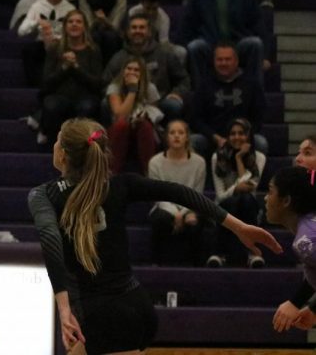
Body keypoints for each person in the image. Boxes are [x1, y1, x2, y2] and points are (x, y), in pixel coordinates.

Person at [27, 118, 281, 354]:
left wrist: (62, 308)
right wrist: (238, 226)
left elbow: (51, 241)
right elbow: (180, 192)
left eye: (58, 139)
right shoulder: (120, 184)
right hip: (136, 307)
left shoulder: (44, 195)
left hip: (102, 316)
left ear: (63, 154)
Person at [182, 0, 268, 88]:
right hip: (210, 44)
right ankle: (201, 94)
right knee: (194, 47)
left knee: (255, 43)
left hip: (238, 44)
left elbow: (258, 23)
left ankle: (255, 93)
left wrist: (266, 56)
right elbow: (187, 24)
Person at [103, 14, 189, 123]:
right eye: (134, 28)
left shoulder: (164, 54)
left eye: (142, 27)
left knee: (173, 105)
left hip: (159, 101)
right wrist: (118, 97)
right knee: (106, 104)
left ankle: (168, 136)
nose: (137, 31)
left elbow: (183, 80)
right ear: (128, 32)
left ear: (149, 32)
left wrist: (177, 93)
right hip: (126, 102)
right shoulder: (118, 58)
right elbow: (105, 83)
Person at [147, 120, 210, 266]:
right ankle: (156, 264)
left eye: (181, 133)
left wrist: (184, 213)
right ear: (166, 137)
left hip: (191, 205)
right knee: (160, 219)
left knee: (195, 221)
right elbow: (157, 196)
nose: (176, 136)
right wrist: (176, 213)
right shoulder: (155, 162)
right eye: (172, 133)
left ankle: (197, 267)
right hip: (164, 206)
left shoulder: (199, 162)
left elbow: (197, 194)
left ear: (187, 137)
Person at [207, 118, 267, 268]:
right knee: (232, 202)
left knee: (246, 199)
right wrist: (235, 189)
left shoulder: (259, 157)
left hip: (249, 206)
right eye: (232, 134)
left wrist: (239, 158)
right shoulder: (217, 157)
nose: (237, 137)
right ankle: (219, 254)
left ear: (248, 136)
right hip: (224, 205)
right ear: (227, 136)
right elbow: (220, 195)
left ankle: (253, 254)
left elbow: (249, 188)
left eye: (241, 133)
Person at [190, 42, 268, 157]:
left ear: (236, 62)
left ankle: (253, 174)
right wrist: (215, 137)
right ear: (214, 62)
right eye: (220, 60)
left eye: (228, 59)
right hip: (213, 138)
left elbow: (259, 116)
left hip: (243, 137)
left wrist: (242, 136)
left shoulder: (251, 84)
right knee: (193, 141)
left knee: (261, 143)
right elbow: (196, 119)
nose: (223, 63)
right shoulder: (204, 85)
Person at [38, 10, 102, 144]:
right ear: (65, 26)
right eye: (70, 22)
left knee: (87, 107)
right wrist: (65, 67)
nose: (74, 25)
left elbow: (97, 84)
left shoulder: (93, 50)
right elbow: (46, 83)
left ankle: (81, 147)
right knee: (51, 105)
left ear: (85, 26)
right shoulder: (55, 48)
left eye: (78, 22)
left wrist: (76, 67)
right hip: (60, 95)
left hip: (85, 96)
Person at [267, 166, 316, 333]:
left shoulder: (305, 241)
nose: (266, 198)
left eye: (271, 192)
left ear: (286, 201)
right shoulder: (308, 228)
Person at [17, 0, 74, 88]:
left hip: (62, 44)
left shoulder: (69, 8)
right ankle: (35, 86)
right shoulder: (37, 6)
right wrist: (36, 23)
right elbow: (21, 31)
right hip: (42, 43)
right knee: (29, 51)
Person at [106, 56, 161, 174]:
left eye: (136, 70)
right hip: (119, 130)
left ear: (142, 73)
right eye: (129, 68)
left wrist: (145, 116)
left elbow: (155, 114)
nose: (132, 72)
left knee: (145, 126)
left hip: (142, 129)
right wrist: (132, 90)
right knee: (122, 125)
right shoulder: (114, 87)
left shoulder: (150, 88)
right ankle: (112, 173)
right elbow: (120, 115)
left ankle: (149, 173)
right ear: (123, 70)